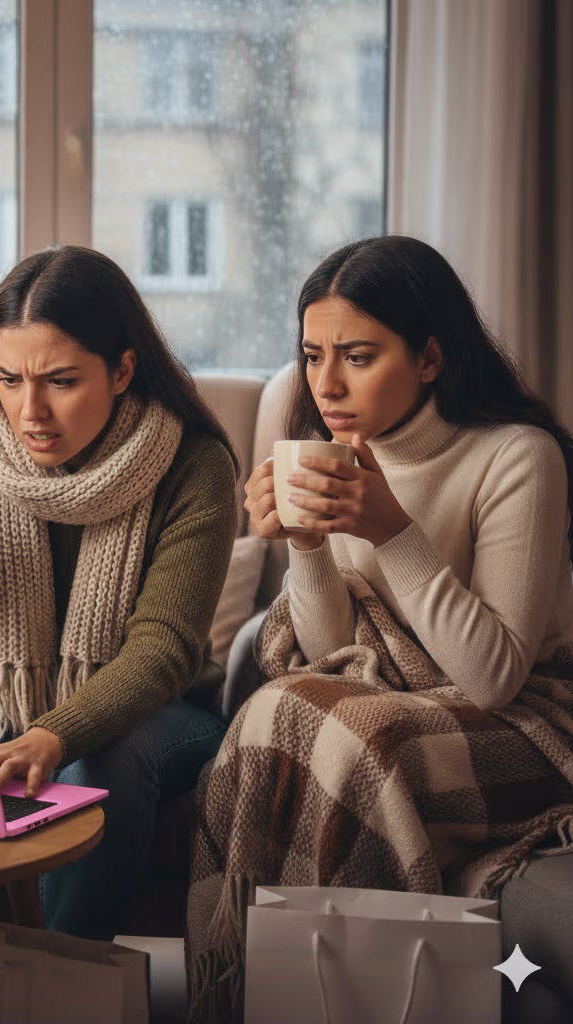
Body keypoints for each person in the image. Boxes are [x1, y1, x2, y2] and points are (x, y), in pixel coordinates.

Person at [187, 234, 573, 1022]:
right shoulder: (333, 453)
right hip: (404, 708)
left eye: (358, 356)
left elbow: (495, 675)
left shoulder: (516, 457)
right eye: (311, 355)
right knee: (278, 712)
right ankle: (255, 993)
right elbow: (335, 656)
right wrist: (307, 545)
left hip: (533, 723)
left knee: (354, 736)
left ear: (429, 358)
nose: (326, 383)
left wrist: (394, 531)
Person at [0, 244, 239, 1024]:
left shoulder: (195, 465)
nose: (30, 412)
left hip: (167, 712)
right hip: (16, 693)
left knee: (103, 755)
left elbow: (162, 650)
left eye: (60, 381)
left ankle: (54, 988)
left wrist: (55, 730)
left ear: (122, 370)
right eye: (11, 379)